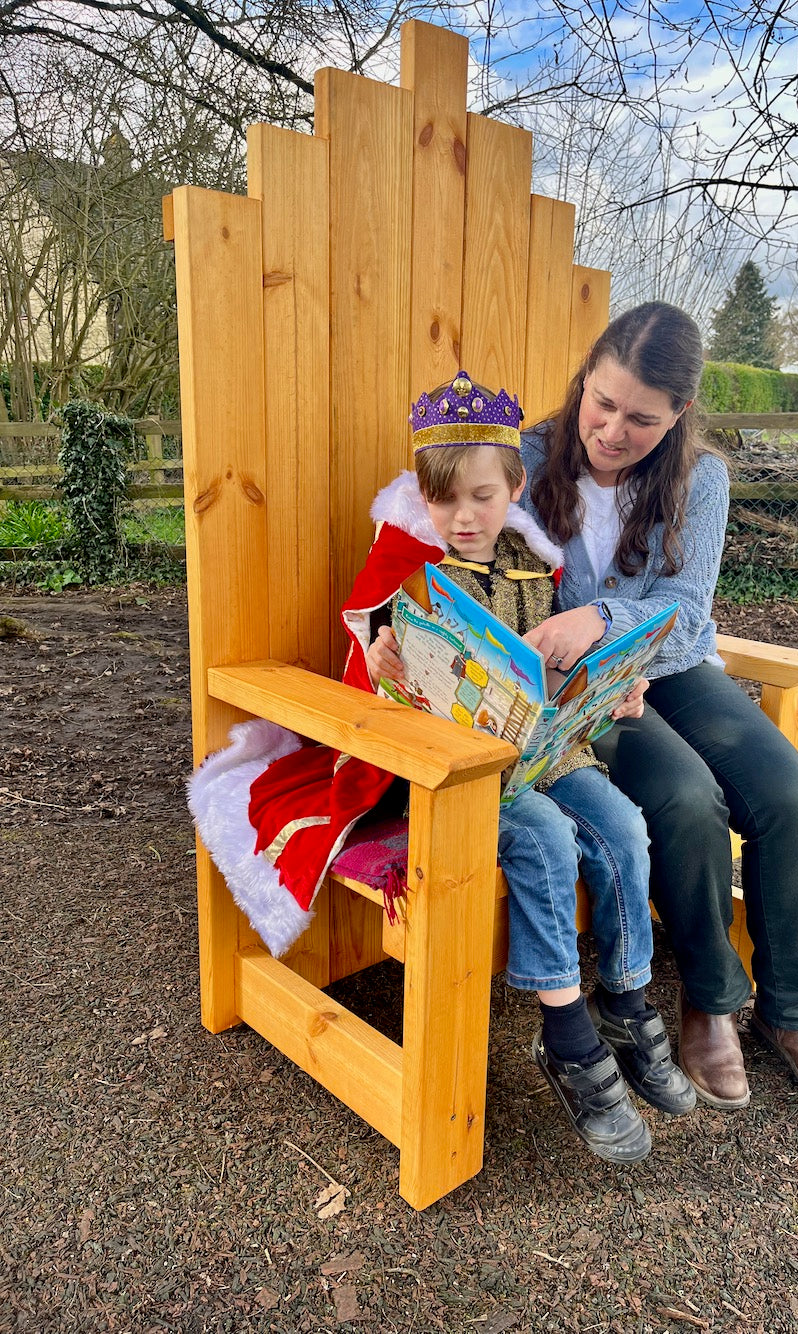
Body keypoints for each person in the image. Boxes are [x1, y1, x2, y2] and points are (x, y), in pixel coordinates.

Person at [190, 371, 696, 1166]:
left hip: (547, 753)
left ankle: (627, 1002)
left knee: (625, 827)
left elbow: (556, 677)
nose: (463, 518)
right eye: (444, 501)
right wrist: (382, 658)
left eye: (483, 498)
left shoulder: (543, 573)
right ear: (422, 498)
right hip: (463, 780)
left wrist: (613, 689)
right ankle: (566, 1039)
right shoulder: (412, 582)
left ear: (516, 489)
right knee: (545, 846)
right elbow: (377, 674)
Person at [516, 303, 798, 1112]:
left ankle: (795, 1014)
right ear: (586, 380)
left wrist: (606, 622)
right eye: (602, 403)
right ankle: (711, 1000)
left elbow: (683, 611)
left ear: (678, 414)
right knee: (685, 799)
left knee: (790, 800)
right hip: (578, 694)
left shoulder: (698, 477)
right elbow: (459, 543)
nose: (612, 430)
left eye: (641, 418)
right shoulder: (528, 460)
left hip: (672, 669)